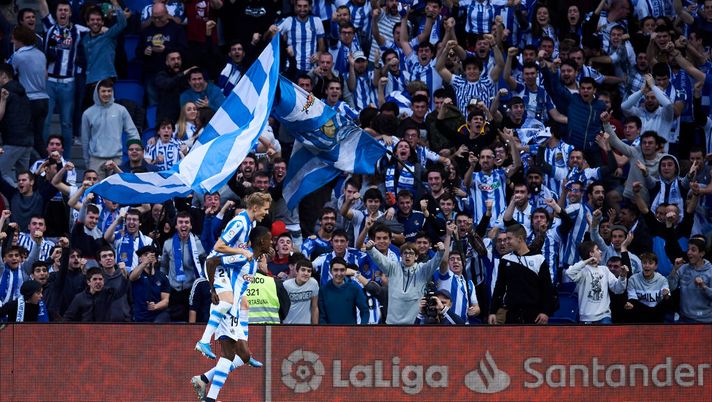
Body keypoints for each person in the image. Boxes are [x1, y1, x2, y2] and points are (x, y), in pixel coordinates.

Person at [190, 226, 272, 402]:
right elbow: (212, 262)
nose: (272, 242)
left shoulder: (253, 261)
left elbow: (241, 291)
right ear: (260, 241)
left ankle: (203, 379)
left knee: (244, 356)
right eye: (269, 239)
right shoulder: (244, 256)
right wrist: (213, 290)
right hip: (225, 307)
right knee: (228, 354)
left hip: (234, 308)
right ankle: (210, 399)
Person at [196, 192, 271, 359]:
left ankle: (243, 347)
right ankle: (204, 341)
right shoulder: (240, 223)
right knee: (227, 301)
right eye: (265, 209)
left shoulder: (250, 224)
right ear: (255, 208)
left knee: (243, 303)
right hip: (217, 263)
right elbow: (219, 246)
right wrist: (241, 251)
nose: (266, 213)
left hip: (229, 263)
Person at [364, 233, 447, 324]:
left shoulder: (423, 270)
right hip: (392, 323)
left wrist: (440, 252)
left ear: (416, 257)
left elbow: (434, 262)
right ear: (401, 256)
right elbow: (380, 260)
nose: (408, 256)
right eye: (405, 253)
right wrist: (371, 249)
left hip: (413, 324)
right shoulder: (392, 267)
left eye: (411, 253)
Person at [488, 223, 555, 325]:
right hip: (512, 313)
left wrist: (545, 312)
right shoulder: (505, 260)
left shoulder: (539, 259)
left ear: (519, 238)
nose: (506, 242)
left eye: (509, 239)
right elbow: (499, 288)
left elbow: (547, 289)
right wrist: (492, 311)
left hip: (535, 314)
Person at [80, 79, 140, 180]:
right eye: (103, 91)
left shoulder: (121, 110)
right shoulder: (88, 113)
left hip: (116, 159)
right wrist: (87, 161)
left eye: (109, 91)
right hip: (95, 160)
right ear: (97, 92)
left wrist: (135, 151)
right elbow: (85, 140)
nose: (107, 94)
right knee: (96, 193)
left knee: (117, 193)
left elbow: (133, 133)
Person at [565, 241, 629, 324]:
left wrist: (622, 277)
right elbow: (569, 273)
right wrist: (587, 261)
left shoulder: (605, 269)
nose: (600, 252)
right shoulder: (582, 271)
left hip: (604, 316)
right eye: (597, 249)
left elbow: (618, 289)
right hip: (586, 318)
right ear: (591, 253)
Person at [161, 211, 206, 321]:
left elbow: (204, 266)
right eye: (180, 222)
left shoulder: (198, 244)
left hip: (191, 291)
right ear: (176, 226)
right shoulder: (167, 244)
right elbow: (163, 267)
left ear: (190, 225)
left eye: (186, 222)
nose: (184, 225)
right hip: (174, 291)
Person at [0, 63, 33, 186]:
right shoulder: (22, 92)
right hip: (27, 141)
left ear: (3, 75)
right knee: (24, 177)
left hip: (13, 141)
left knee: (0, 173)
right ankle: (25, 200)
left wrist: (2, 100)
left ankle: (15, 194)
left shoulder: (4, 92)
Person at [668, 238, 712, 323]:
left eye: (693, 250)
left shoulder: (710, 271)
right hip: (684, 319)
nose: (689, 253)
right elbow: (670, 287)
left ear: (701, 254)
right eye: (688, 249)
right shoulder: (683, 268)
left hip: (704, 320)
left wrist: (703, 286)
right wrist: (674, 269)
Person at [317, 257, 369, 324]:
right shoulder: (323, 290)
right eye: (335, 270)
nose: (339, 273)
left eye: (342, 270)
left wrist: (362, 329)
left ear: (346, 271)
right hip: (330, 332)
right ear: (330, 271)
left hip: (350, 332)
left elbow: (364, 310)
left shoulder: (354, 287)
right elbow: (322, 316)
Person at [129, 245, 171, 322]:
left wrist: (155, 306)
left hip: (157, 316)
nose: (149, 257)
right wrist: (145, 263)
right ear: (140, 259)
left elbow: (165, 301)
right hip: (140, 317)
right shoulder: (138, 273)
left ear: (156, 260)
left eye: (152, 256)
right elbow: (132, 277)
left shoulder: (162, 277)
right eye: (146, 255)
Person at [625, 252, 670, 323]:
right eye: (644, 263)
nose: (647, 266)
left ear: (656, 266)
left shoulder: (662, 280)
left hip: (657, 315)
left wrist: (666, 294)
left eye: (650, 263)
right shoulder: (633, 279)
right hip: (639, 316)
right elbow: (632, 300)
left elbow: (666, 297)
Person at [283, 259, 319, 324]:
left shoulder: (313, 283)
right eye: (303, 270)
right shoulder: (286, 285)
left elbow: (314, 307)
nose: (306, 273)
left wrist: (315, 328)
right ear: (297, 271)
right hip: (288, 325)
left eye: (309, 271)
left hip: (306, 326)